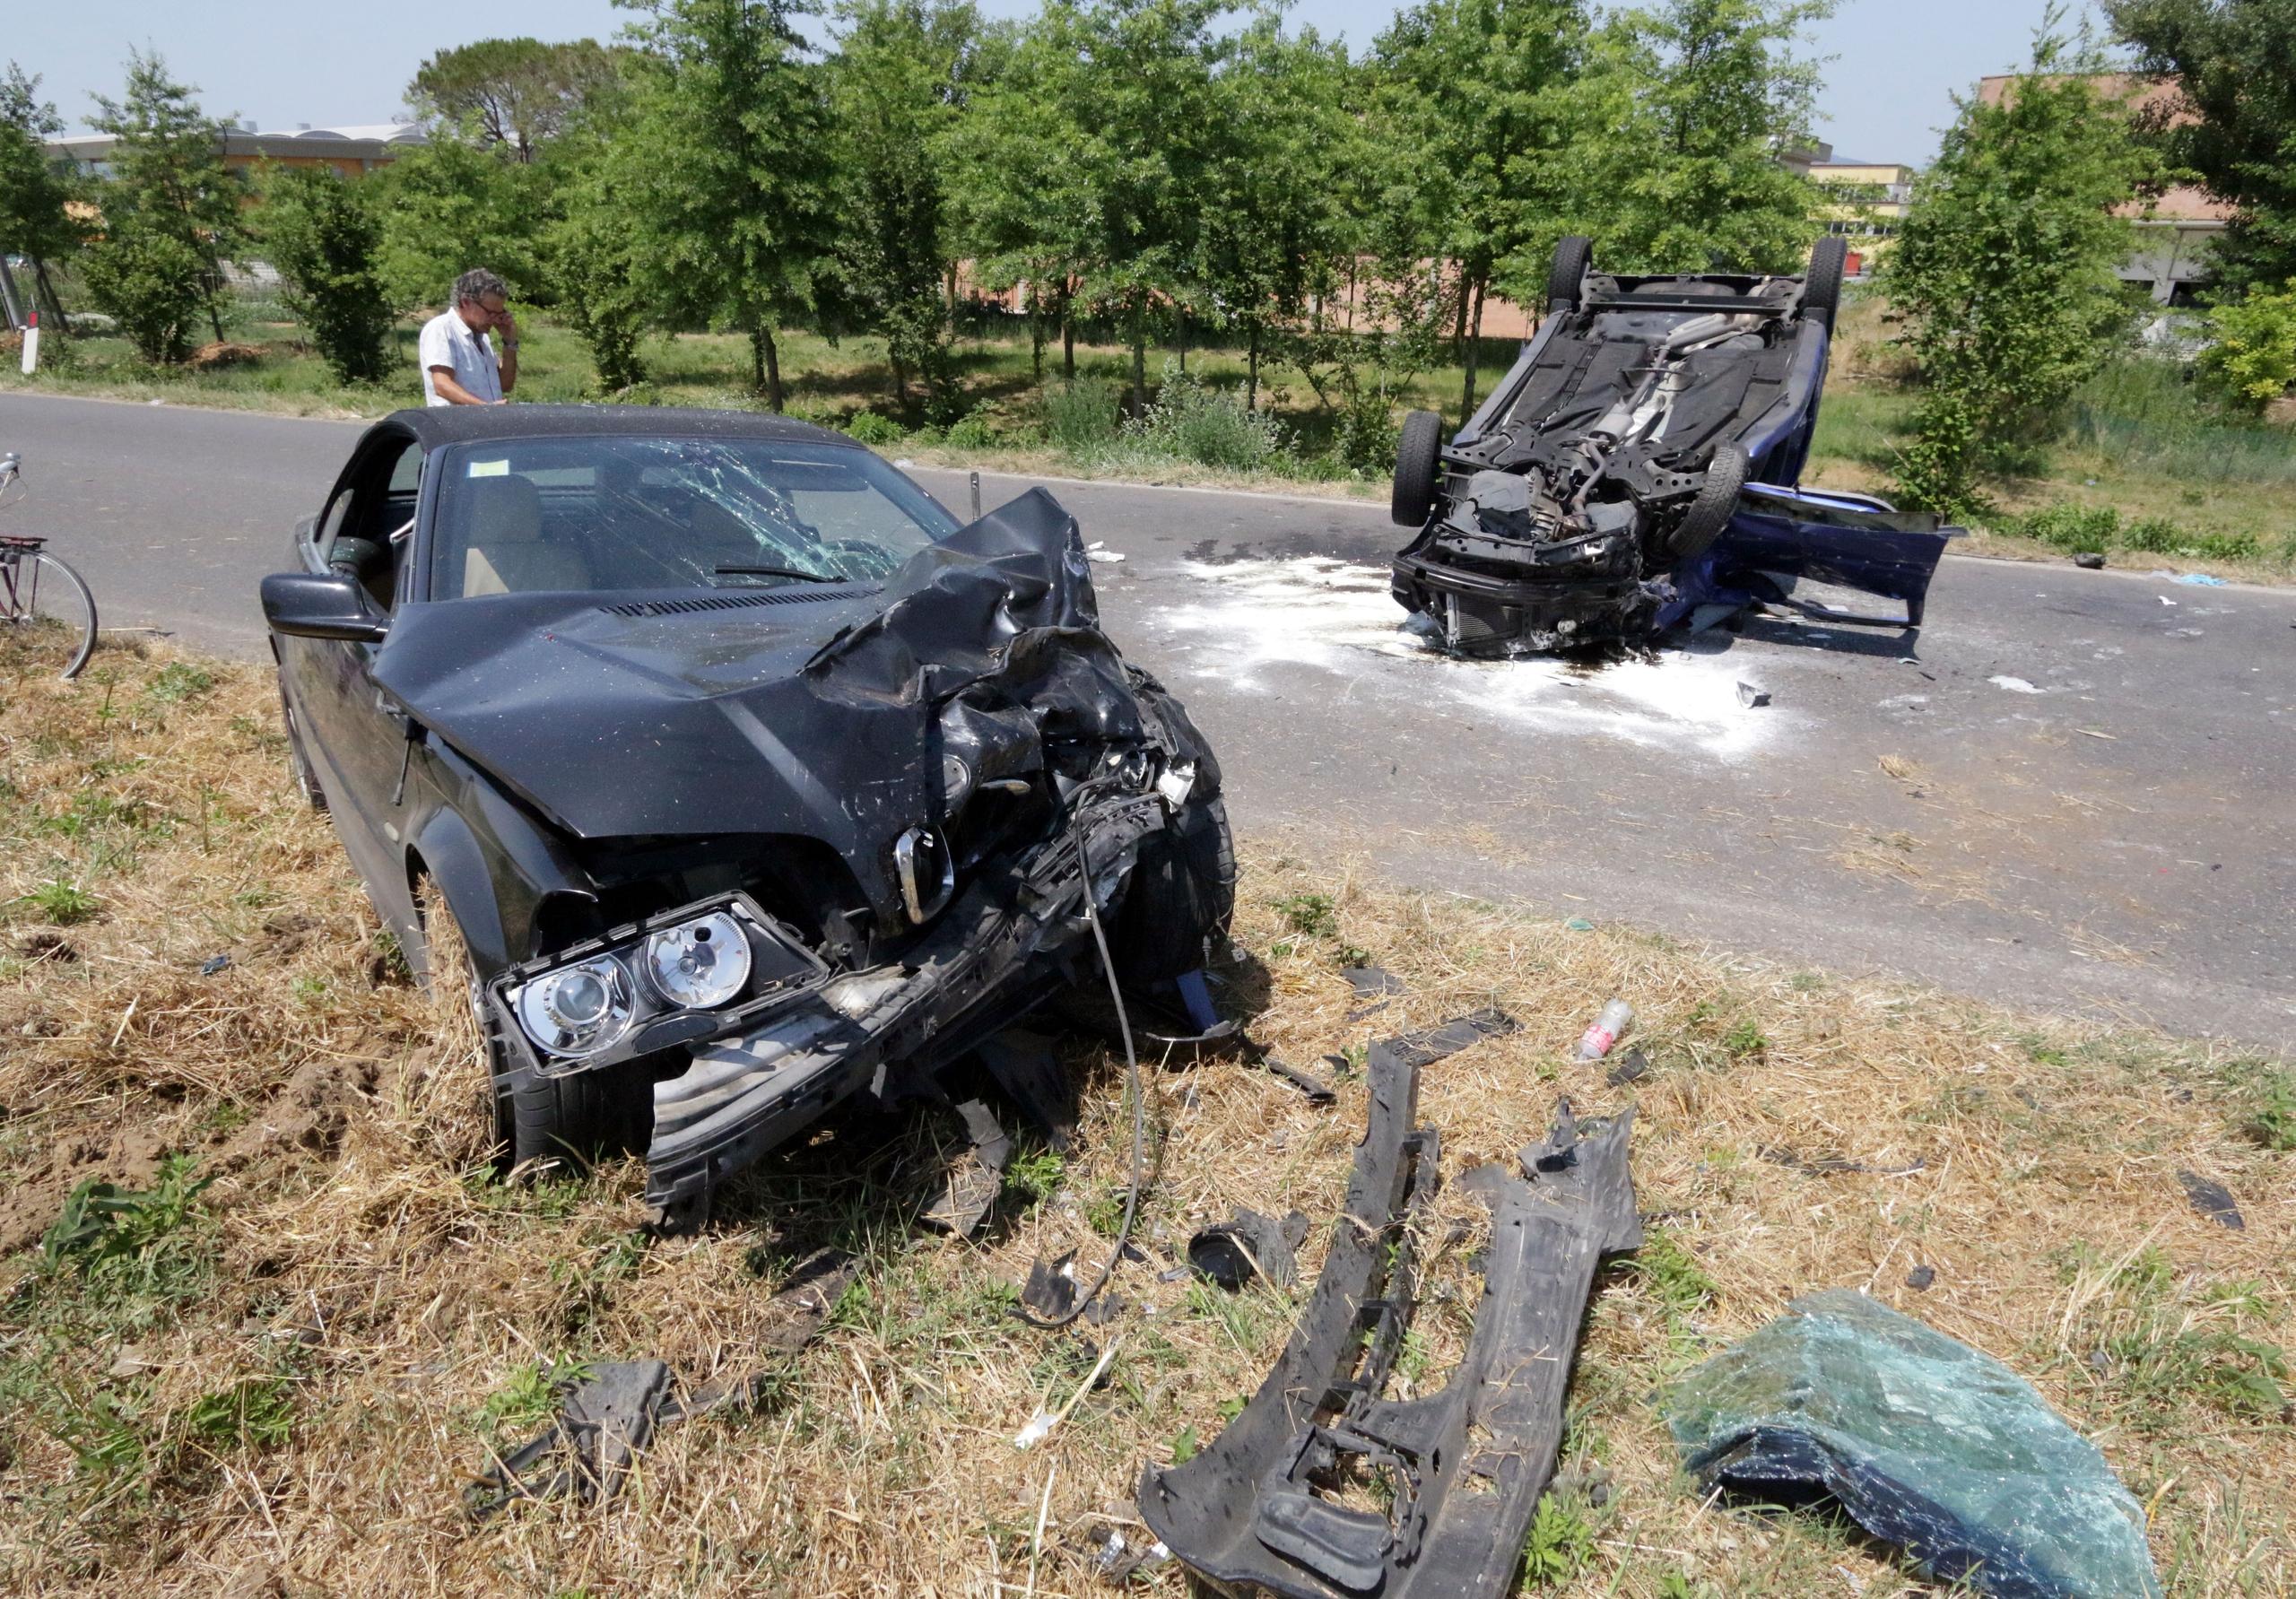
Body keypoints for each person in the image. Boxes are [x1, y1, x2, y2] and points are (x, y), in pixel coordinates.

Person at [418, 268, 519, 406]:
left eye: (499, 313)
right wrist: (485, 408)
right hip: (453, 425)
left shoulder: (482, 338)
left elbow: (505, 385)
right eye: (490, 312)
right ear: (466, 302)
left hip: (482, 423)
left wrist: (510, 342)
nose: (494, 319)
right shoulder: (442, 328)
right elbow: (442, 385)